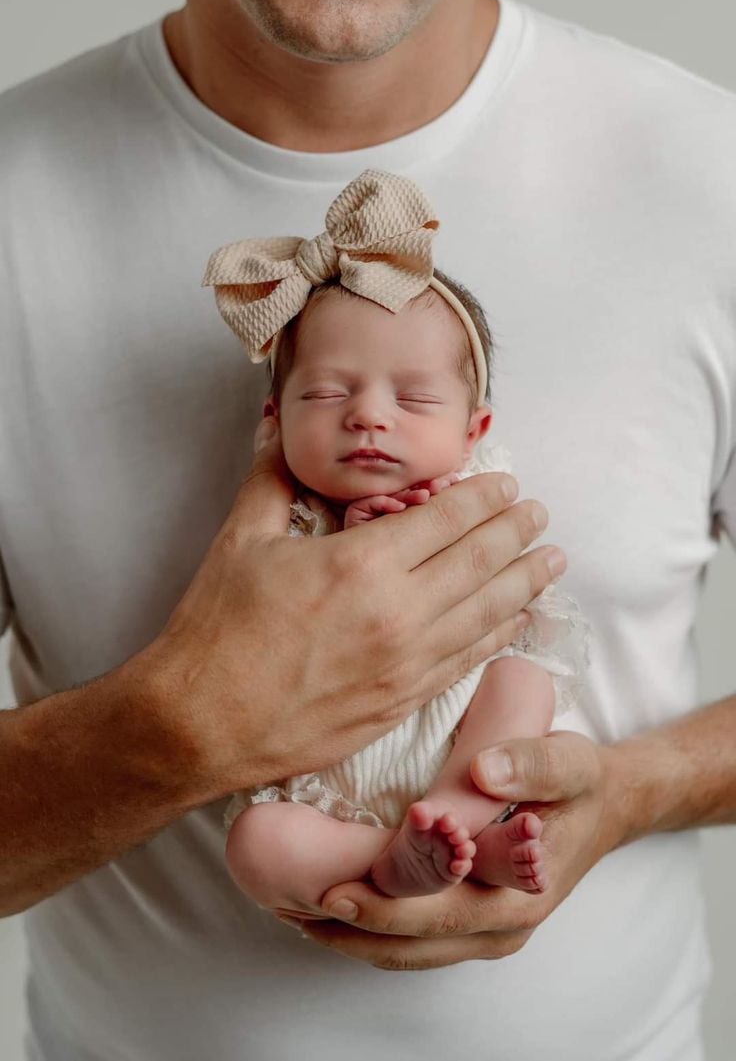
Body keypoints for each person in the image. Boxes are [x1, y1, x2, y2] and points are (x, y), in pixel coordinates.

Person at [0, 0, 734, 1060]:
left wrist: (629, 791)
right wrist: (180, 724)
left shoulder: (711, 171)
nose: (370, 421)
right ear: (275, 410)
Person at [214, 168, 589, 910]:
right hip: (329, 776)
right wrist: (338, 545)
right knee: (256, 843)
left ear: (474, 428)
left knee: (526, 682)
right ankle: (411, 856)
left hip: (455, 728)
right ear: (275, 416)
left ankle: (457, 812)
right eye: (326, 393)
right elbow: (259, 627)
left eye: (413, 398)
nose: (368, 416)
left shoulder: (475, 496)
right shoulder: (276, 523)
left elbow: (507, 608)